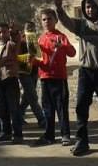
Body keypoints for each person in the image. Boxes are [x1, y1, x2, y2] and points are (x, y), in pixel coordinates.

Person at [54, 0, 98, 156]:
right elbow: (66, 21)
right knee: (81, 107)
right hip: (86, 72)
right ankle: (82, 141)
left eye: (93, 6)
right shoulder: (81, 25)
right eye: (87, 7)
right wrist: (59, 9)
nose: (90, 10)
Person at [33, 8, 76, 147]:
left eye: (49, 19)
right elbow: (38, 59)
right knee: (47, 109)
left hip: (59, 78)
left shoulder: (61, 37)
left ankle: (65, 135)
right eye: (44, 19)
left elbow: (72, 52)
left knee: (61, 107)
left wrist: (62, 46)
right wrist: (32, 61)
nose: (47, 22)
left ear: (56, 20)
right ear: (41, 22)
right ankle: (49, 135)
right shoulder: (39, 39)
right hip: (44, 78)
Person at [0, 23, 23, 144]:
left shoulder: (11, 44)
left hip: (10, 79)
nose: (2, 35)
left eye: (4, 32)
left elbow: (17, 41)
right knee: (2, 108)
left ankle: (18, 135)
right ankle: (6, 133)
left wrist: (14, 32)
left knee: (13, 108)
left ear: (8, 33)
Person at [18, 21, 46, 129]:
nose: (30, 30)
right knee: (33, 95)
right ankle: (41, 119)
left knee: (27, 96)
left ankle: (19, 114)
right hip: (24, 72)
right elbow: (17, 56)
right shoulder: (20, 42)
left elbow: (39, 56)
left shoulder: (35, 41)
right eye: (28, 28)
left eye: (32, 28)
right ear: (24, 30)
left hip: (33, 72)